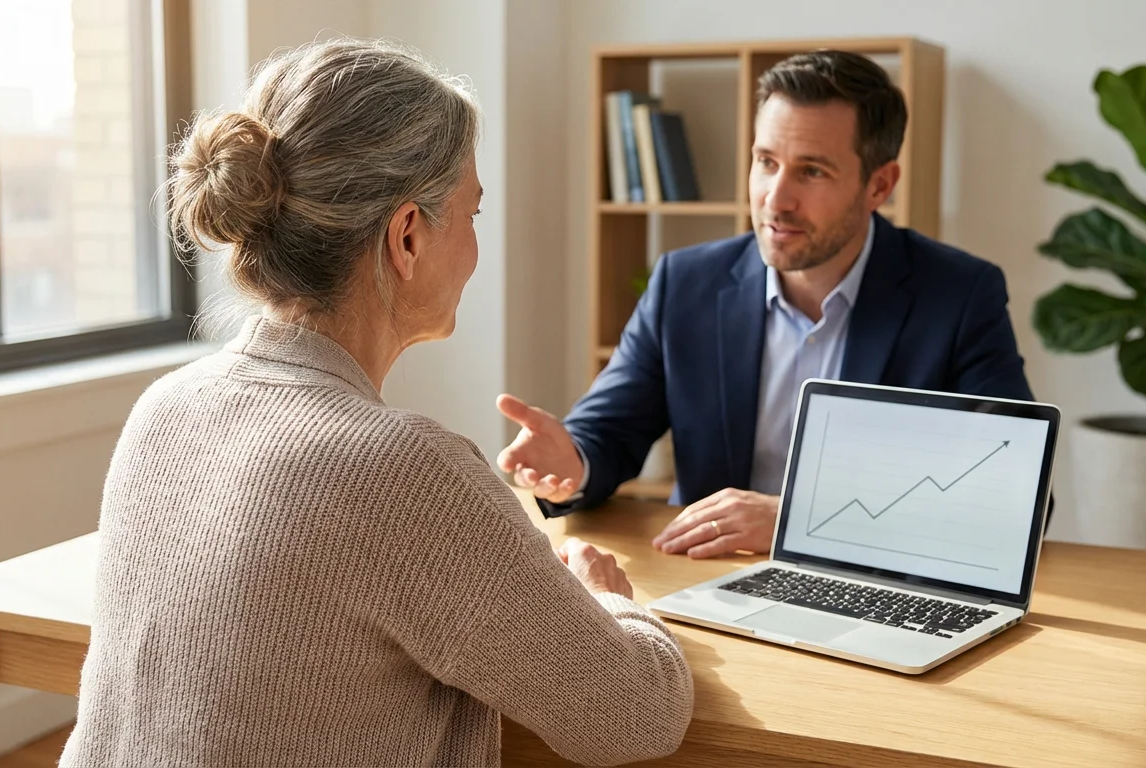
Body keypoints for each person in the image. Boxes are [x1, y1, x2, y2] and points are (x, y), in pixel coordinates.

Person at [60, 38, 692, 768]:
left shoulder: (165, 407)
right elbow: (636, 716)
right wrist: (608, 601)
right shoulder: (401, 469)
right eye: (472, 214)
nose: (477, 246)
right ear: (408, 236)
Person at [497, 49, 1041, 559]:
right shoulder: (685, 283)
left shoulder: (959, 296)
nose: (775, 200)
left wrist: (796, 520)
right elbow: (609, 431)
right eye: (765, 161)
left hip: (870, 575)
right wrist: (571, 461)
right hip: (708, 573)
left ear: (880, 185)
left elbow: (1015, 496)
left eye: (812, 171)